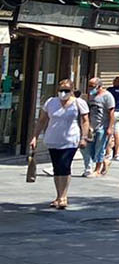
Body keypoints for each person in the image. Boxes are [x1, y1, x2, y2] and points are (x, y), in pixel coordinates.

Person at [30, 80, 91, 210]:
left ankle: (63, 196)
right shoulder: (51, 102)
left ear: (72, 90)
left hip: (70, 139)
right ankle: (58, 195)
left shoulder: (79, 103)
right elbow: (42, 120)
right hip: (53, 138)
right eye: (61, 90)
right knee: (57, 168)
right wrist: (35, 137)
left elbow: (85, 121)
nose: (63, 93)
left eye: (67, 90)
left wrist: (84, 138)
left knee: (64, 165)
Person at [83, 78, 117, 178]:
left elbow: (111, 113)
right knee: (89, 149)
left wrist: (110, 128)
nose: (90, 88)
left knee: (100, 148)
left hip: (103, 126)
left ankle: (97, 170)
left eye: (92, 86)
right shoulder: (91, 95)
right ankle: (105, 161)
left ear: (99, 86)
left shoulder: (107, 96)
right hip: (92, 126)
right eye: (89, 86)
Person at [106, 74, 119, 162]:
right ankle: (117, 154)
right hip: (118, 113)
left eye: (114, 80)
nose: (113, 82)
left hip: (111, 113)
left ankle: (108, 153)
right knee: (117, 133)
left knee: (109, 133)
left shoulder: (111, 90)